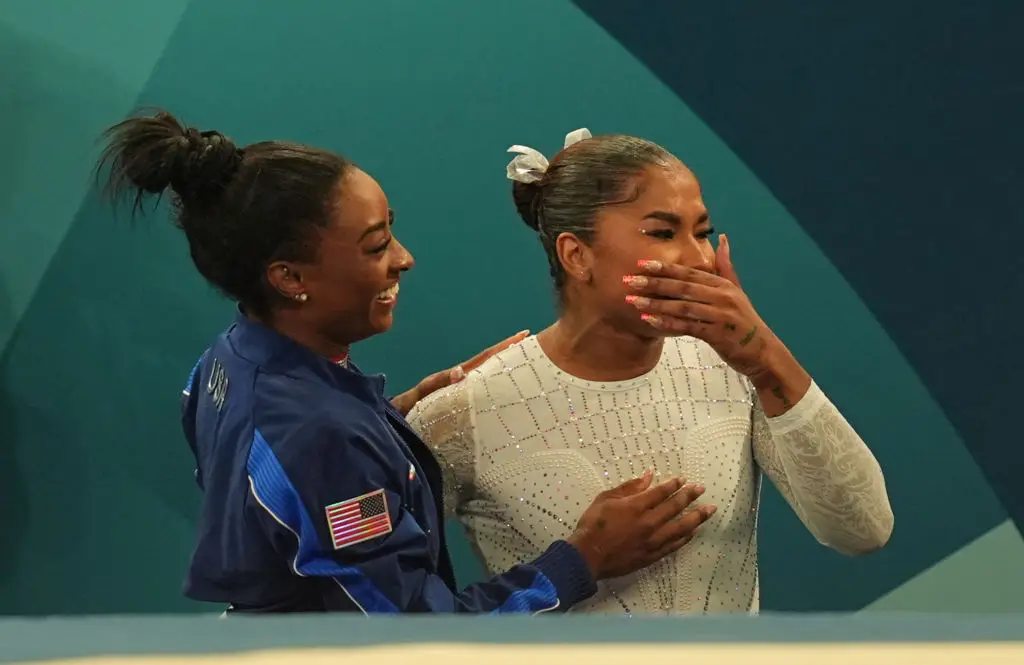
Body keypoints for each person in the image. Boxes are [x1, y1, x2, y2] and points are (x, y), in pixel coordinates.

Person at [94, 111, 712, 614]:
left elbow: (278, 488)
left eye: (391, 230)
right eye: (375, 245)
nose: (404, 258)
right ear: (289, 278)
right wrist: (584, 557)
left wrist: (389, 422)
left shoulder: (229, 361)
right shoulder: (318, 432)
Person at [406, 128, 895, 615]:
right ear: (577, 256)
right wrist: (581, 559)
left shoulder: (736, 367)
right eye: (663, 233)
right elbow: (384, 605)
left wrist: (765, 358)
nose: (700, 258)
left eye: (703, 232)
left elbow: (863, 530)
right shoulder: (464, 412)